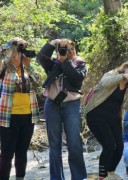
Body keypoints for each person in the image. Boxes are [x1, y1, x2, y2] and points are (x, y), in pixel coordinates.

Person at [0, 38, 41, 180]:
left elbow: (40, 80)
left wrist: (28, 66)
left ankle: (20, 178)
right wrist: (10, 44)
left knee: (22, 152)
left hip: (28, 116)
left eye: (20, 51)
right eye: (17, 51)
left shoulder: (27, 68)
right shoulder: (1, 69)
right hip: (8, 116)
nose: (18, 54)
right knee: (7, 153)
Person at [37, 39, 87, 180]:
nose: (69, 52)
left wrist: (65, 62)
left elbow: (77, 78)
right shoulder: (53, 63)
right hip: (52, 104)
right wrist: (54, 43)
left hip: (71, 105)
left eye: (71, 49)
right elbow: (40, 57)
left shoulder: (80, 63)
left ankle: (78, 177)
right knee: (54, 144)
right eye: (65, 49)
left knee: (74, 143)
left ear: (76, 50)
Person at [84, 60, 128, 179]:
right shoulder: (112, 74)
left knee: (119, 147)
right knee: (109, 145)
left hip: (114, 119)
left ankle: (109, 173)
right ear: (125, 67)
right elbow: (105, 83)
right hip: (96, 115)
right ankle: (102, 175)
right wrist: (122, 76)